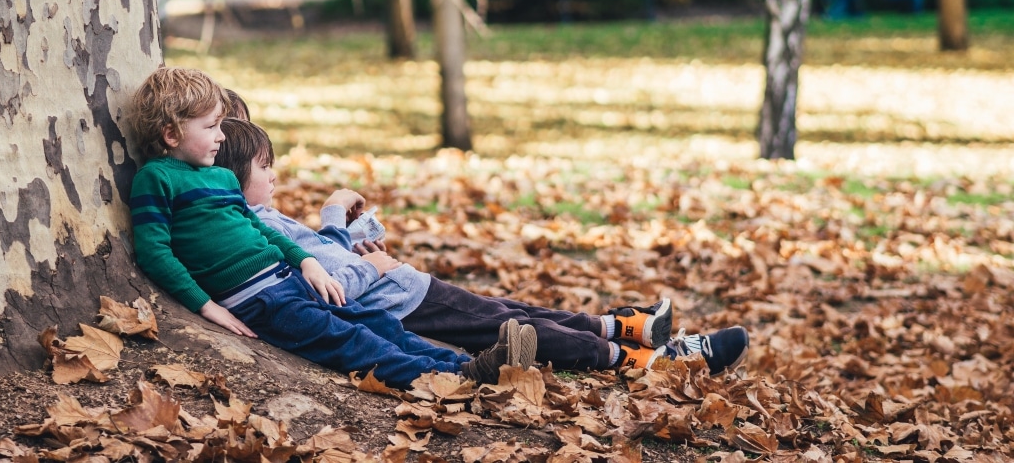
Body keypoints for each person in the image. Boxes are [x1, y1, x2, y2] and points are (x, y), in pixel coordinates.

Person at [214, 116, 752, 376]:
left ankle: (625, 326)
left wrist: (356, 241)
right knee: (517, 329)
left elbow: (328, 261)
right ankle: (647, 361)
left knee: (515, 311)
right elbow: (330, 279)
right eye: (266, 168)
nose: (276, 176)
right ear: (234, 176)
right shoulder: (253, 224)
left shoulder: (257, 216)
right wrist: (351, 240)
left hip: (405, 287)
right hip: (400, 302)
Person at [126, 66, 538, 388]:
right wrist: (205, 306)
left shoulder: (220, 177)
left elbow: (262, 231)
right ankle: (451, 381)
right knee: (352, 343)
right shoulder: (157, 179)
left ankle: (472, 366)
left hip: (290, 280)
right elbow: (155, 253)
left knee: (377, 324)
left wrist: (307, 263)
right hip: (260, 301)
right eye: (211, 126)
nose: (221, 136)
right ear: (170, 132)